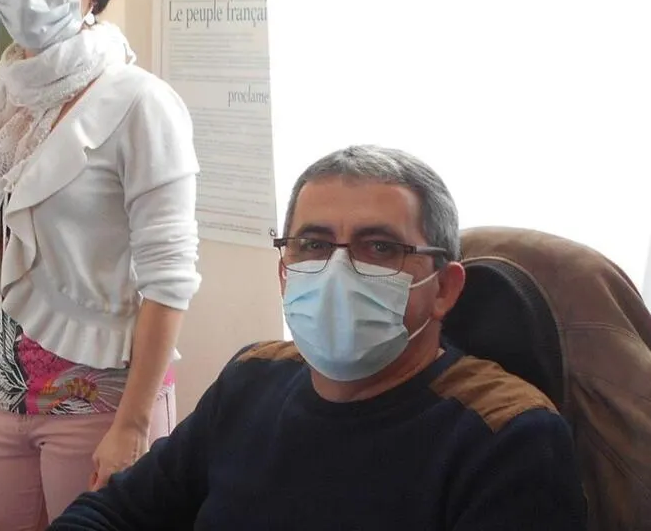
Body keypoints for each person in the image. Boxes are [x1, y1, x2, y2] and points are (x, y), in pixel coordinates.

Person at [49, 145, 588, 530]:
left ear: (444, 288)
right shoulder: (252, 378)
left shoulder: (507, 438)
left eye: (379, 247)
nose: (337, 271)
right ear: (284, 271)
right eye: (313, 244)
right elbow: (114, 511)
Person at [0, 0, 201, 530]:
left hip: (103, 406)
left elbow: (168, 279)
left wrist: (132, 425)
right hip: (1, 402)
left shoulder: (139, 103)